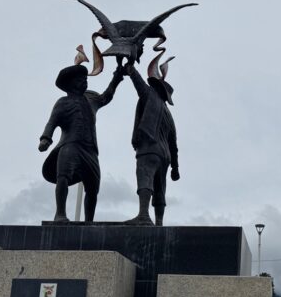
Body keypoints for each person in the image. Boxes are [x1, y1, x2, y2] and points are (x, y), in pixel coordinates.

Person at [39, 64, 124, 222]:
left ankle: (88, 221)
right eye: (80, 80)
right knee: (63, 177)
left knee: (93, 187)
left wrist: (117, 78)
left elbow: (106, 96)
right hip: (70, 145)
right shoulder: (63, 102)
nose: (84, 82)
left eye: (85, 79)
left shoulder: (91, 100)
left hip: (90, 150)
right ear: (70, 84)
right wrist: (45, 138)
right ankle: (60, 214)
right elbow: (52, 122)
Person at [124, 58, 179, 226]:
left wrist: (130, 67)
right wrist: (175, 168)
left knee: (145, 178)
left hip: (149, 149)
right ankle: (159, 222)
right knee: (160, 188)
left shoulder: (149, 96)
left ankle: (143, 215)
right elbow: (174, 145)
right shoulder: (169, 116)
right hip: (165, 157)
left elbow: (138, 83)